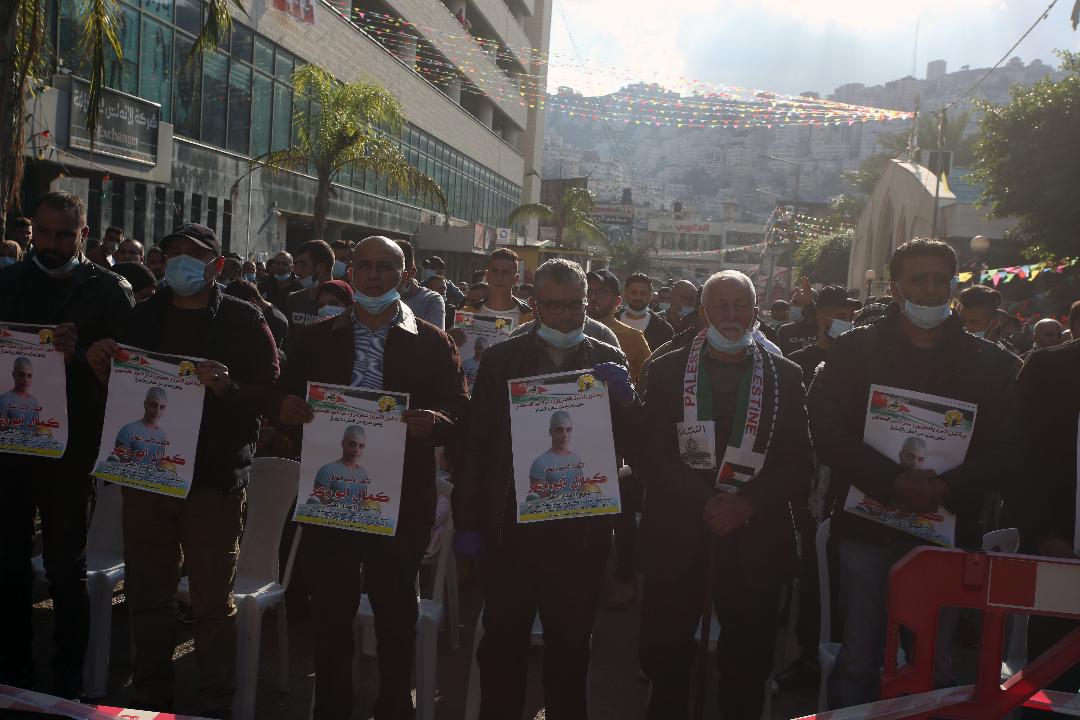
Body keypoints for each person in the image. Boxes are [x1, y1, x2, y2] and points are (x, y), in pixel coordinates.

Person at [807, 238, 1019, 708]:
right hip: (866, 529)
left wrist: (945, 487)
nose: (929, 289)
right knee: (858, 658)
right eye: (917, 279)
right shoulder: (855, 350)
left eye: (940, 279)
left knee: (933, 664)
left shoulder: (993, 364)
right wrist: (892, 481)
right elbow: (825, 426)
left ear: (954, 286)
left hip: (945, 536)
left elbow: (1007, 448)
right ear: (896, 287)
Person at [86, 222, 279, 718]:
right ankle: (150, 690)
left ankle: (215, 699)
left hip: (212, 482)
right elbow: (122, 392)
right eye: (173, 252)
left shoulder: (243, 319)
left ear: (218, 265)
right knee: (147, 591)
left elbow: (272, 394)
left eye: (194, 253)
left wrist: (230, 387)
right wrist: (103, 367)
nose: (180, 261)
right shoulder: (143, 314)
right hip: (148, 478)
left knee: (211, 600)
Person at [275, 235, 468, 720]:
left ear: (406, 275)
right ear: (351, 272)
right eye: (364, 265)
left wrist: (438, 422)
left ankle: (394, 705)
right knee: (330, 616)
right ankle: (333, 707)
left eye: (386, 267)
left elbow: (460, 406)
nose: (374, 275)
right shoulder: (318, 337)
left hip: (401, 499)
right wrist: (287, 409)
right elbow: (283, 392)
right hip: (331, 498)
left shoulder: (431, 340)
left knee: (396, 615)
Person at [453, 258, 636, 720]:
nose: (566, 316)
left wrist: (627, 401)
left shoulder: (606, 356)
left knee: (570, 650)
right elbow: (476, 444)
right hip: (510, 531)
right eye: (554, 306)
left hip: (580, 534)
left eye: (575, 305)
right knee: (502, 646)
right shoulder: (502, 360)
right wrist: (467, 523)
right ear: (535, 305)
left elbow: (632, 445)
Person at [636, 270, 811, 720]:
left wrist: (745, 503)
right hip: (679, 532)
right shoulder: (666, 370)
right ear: (703, 314)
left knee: (748, 662)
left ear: (756, 312)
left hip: (754, 536)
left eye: (741, 305)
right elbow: (649, 454)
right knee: (665, 653)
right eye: (721, 306)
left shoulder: (785, 376)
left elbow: (798, 462)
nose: (731, 315)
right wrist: (705, 502)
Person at [0, 191, 135, 698]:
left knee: (63, 564)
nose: (52, 244)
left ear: (84, 234)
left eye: (64, 235)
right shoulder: (8, 280)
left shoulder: (108, 289)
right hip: (10, 445)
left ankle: (67, 678)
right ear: (31, 229)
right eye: (44, 233)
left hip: (71, 448)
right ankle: (14, 666)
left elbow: (131, 376)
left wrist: (82, 357)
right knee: (8, 562)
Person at [1015, 337, 1080, 716]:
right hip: (1059, 557)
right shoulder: (1048, 369)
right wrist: (1044, 535)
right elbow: (1017, 458)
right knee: (1053, 689)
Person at [788, 285, 861, 391]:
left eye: (851, 317)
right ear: (820, 318)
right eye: (841, 316)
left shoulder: (855, 361)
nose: (848, 323)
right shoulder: (796, 362)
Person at [587, 269, 652, 383]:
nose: (593, 297)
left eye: (602, 292)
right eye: (589, 290)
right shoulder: (569, 332)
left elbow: (650, 378)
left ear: (617, 301)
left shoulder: (634, 337)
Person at [461, 248, 532, 326]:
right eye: (495, 271)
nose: (499, 278)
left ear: (515, 279)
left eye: (506, 272)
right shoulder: (467, 313)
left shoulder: (530, 318)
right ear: (487, 275)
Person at [309, 426, 370, 504]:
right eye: (352, 444)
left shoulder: (363, 474)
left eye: (361, 446)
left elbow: (362, 503)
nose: (357, 450)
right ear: (343, 444)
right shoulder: (327, 471)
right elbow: (320, 505)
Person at [616, 272, 674, 351]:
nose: (638, 298)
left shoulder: (664, 329)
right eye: (633, 293)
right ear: (625, 294)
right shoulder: (611, 322)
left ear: (650, 296)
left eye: (643, 294)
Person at [111, 387, 169, 465]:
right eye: (154, 405)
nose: (157, 411)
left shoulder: (162, 435)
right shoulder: (128, 430)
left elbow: (159, 464)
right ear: (145, 404)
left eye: (162, 407)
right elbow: (118, 465)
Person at [396, 239, 446, 327]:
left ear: (412, 272)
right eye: (426, 267)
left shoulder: (431, 299)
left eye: (432, 267)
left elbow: (432, 335)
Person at [286, 240, 336, 327]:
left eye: (303, 264)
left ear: (321, 267)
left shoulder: (343, 301)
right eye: (296, 264)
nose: (297, 271)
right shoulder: (294, 300)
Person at [777, 283, 820, 356]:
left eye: (796, 302)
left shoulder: (825, 330)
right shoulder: (784, 331)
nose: (790, 305)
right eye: (791, 301)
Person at [0, 357, 40, 433]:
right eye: (22, 374)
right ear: (14, 375)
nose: (26, 380)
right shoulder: (3, 400)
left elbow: (35, 430)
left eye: (29, 376)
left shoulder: (34, 402)